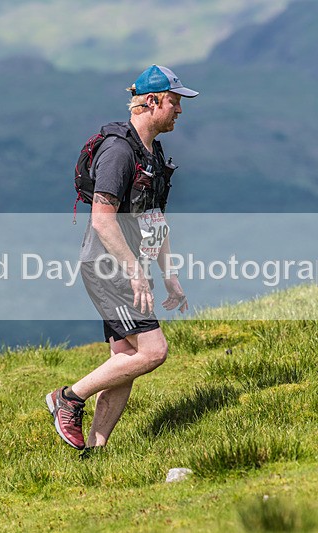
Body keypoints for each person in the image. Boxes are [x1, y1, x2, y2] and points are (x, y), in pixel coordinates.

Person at [46, 65, 198, 455]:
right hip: (108, 267)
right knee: (153, 351)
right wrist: (135, 273)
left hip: (128, 268)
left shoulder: (152, 152)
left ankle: (95, 451)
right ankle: (68, 398)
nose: (180, 110)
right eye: (174, 101)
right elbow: (102, 220)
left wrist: (169, 275)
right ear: (153, 101)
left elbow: (154, 218)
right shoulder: (118, 152)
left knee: (126, 358)